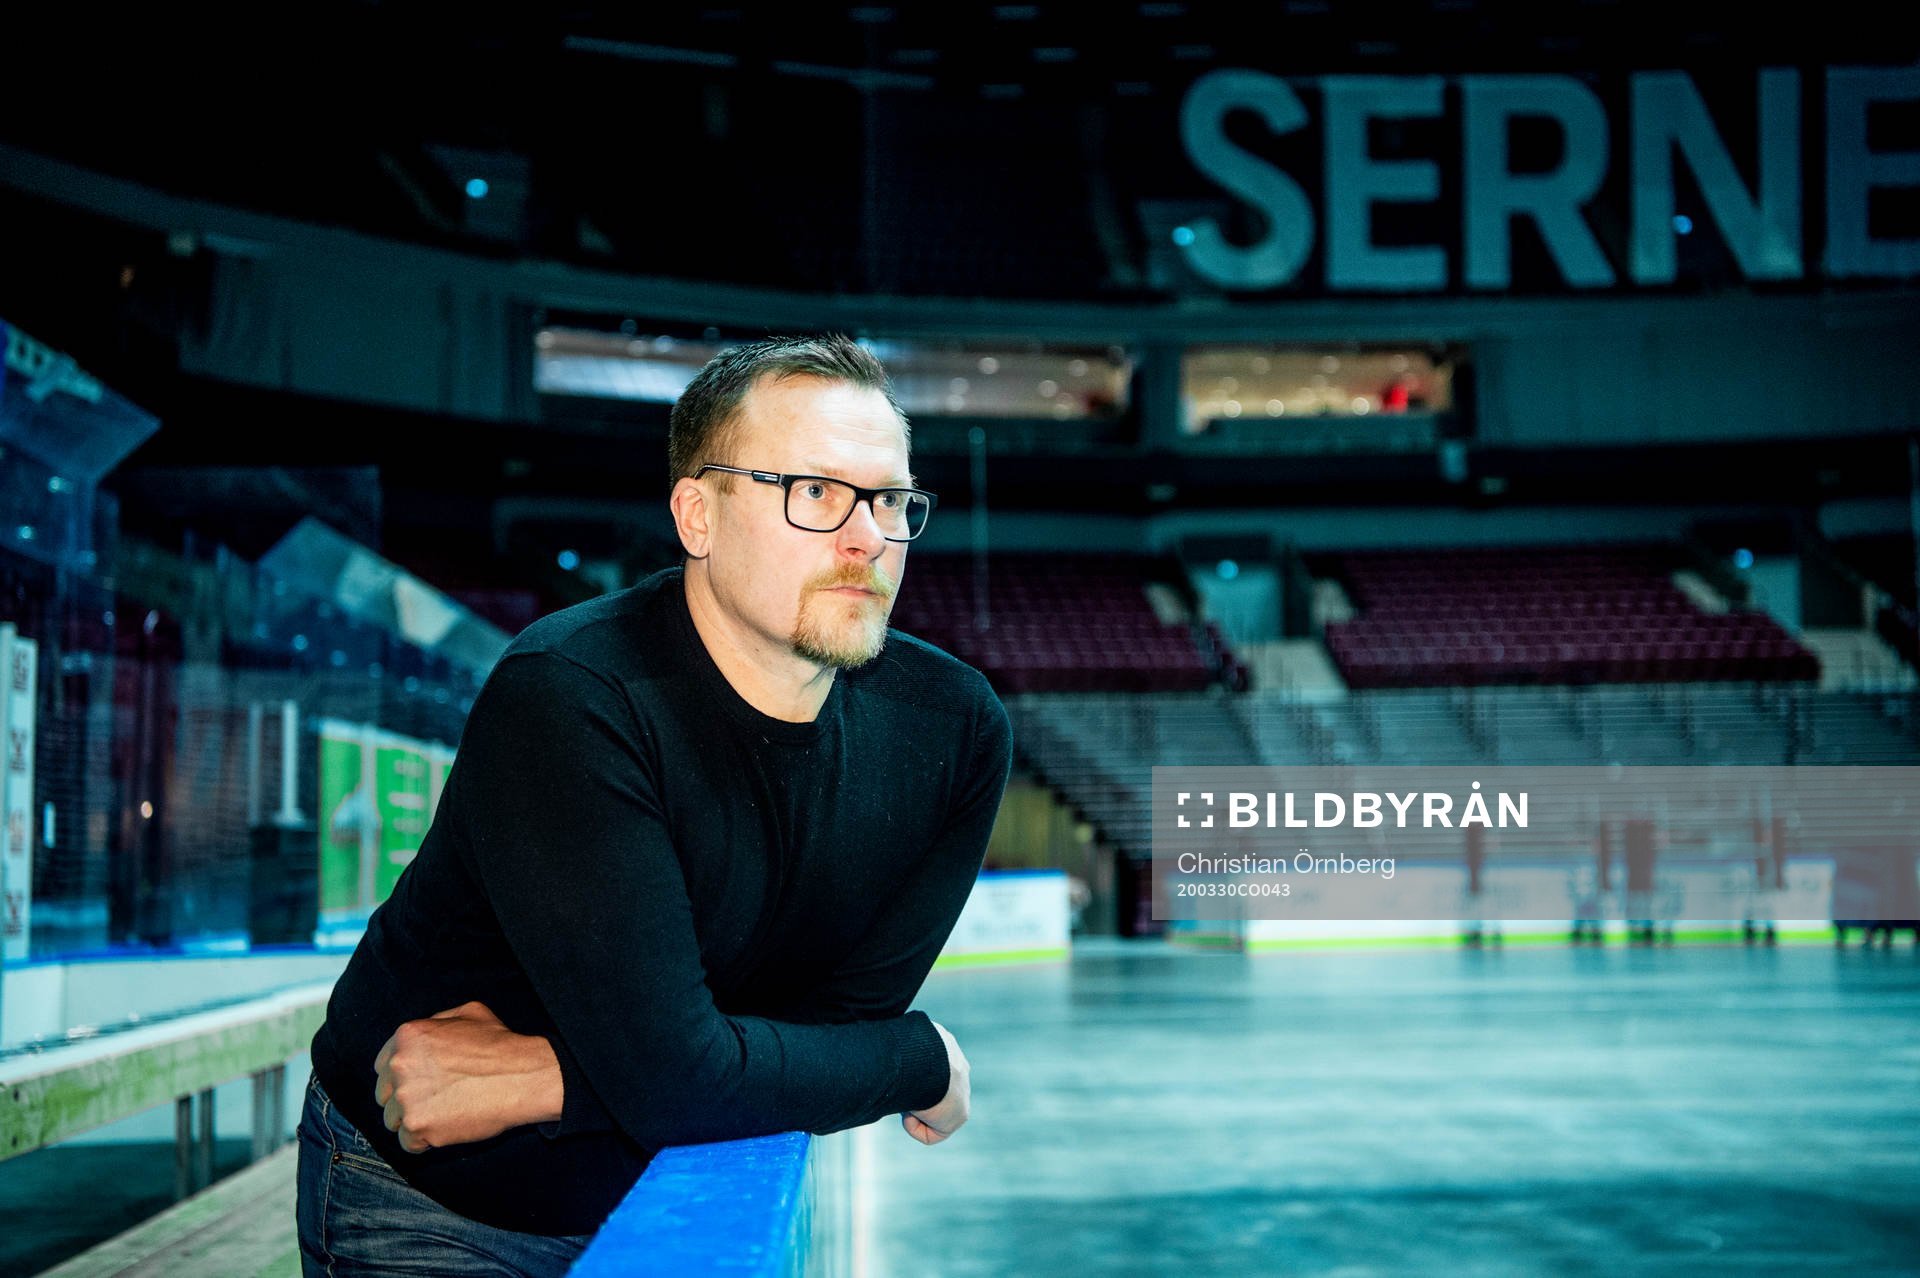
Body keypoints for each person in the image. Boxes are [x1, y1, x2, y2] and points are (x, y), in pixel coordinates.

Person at [295, 334, 1013, 1275]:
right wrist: (922, 1060)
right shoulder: (571, 696)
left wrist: (553, 1078)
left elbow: (830, 1035)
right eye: (815, 491)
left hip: (685, 1188)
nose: (868, 538)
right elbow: (760, 1065)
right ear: (698, 515)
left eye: (889, 499)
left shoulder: (954, 730)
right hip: (439, 1202)